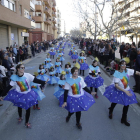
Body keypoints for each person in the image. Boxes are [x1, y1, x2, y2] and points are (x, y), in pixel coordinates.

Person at [103, 60, 140, 126]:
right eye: (122, 64)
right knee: (114, 102)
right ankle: (110, 110)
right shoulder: (117, 73)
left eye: (125, 64)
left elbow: (137, 72)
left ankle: (123, 119)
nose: (124, 66)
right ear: (119, 65)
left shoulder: (128, 70)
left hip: (127, 90)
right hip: (119, 90)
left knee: (126, 104)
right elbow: (116, 85)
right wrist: (125, 91)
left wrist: (138, 73)